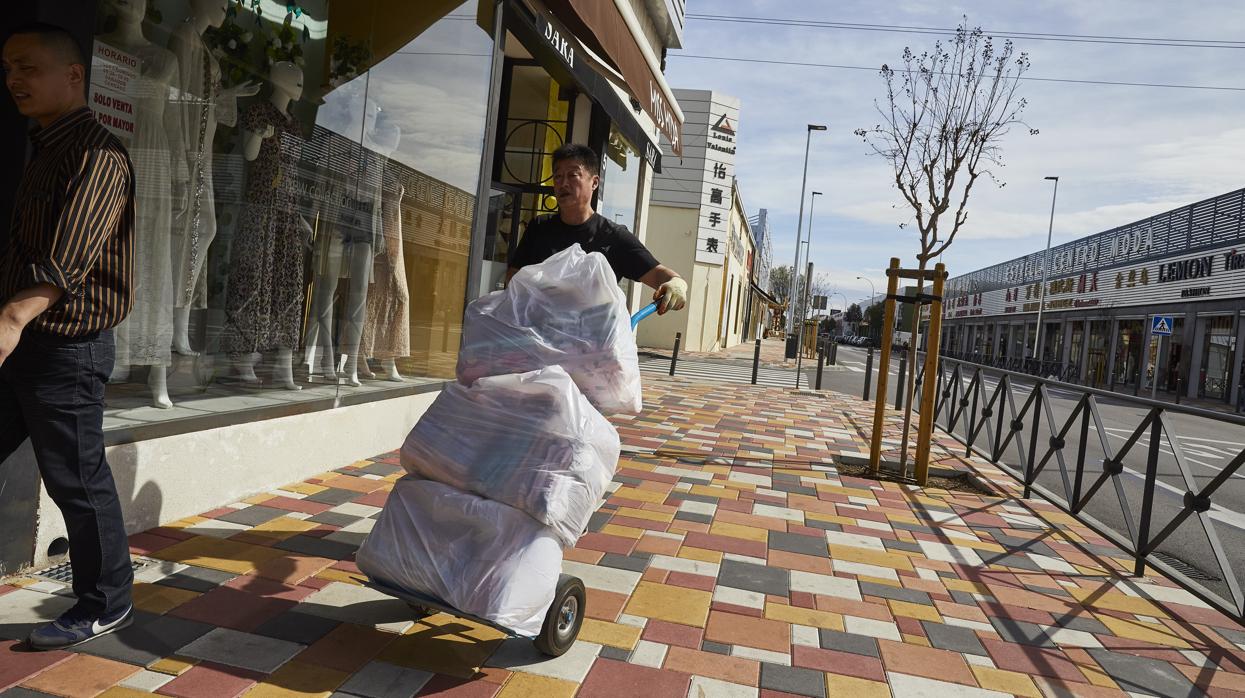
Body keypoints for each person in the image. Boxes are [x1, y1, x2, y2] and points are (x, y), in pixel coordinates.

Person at [0, 23, 136, 649]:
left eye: (28, 66)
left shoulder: (97, 154)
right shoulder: (46, 146)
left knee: (77, 482)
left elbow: (65, 260)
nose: (14, 79)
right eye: (8, 69)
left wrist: (10, 320)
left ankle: (106, 603)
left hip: (64, 346)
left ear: (72, 75)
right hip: (25, 340)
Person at [507, 143, 687, 314]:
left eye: (572, 175)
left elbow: (658, 274)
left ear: (594, 182)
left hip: (592, 340)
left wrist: (676, 283)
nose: (563, 184)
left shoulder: (613, 237)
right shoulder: (540, 228)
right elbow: (514, 278)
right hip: (537, 334)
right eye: (558, 176)